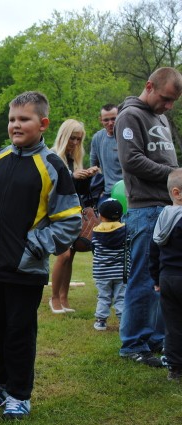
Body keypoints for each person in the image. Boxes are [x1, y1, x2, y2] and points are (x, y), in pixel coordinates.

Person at [0, 91, 81, 419]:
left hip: (26, 270)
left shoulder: (51, 165)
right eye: (12, 120)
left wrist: (35, 245)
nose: (16, 125)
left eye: (24, 119)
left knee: (19, 331)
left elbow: (70, 218)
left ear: (43, 124)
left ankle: (20, 393)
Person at [116, 67, 182, 367]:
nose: (168, 106)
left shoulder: (162, 117)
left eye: (173, 102)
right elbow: (131, 160)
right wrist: (173, 175)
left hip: (166, 208)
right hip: (145, 209)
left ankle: (154, 336)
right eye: (166, 99)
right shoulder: (130, 116)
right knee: (143, 277)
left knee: (161, 278)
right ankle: (132, 344)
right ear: (149, 86)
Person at [49, 120, 99, 313]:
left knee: (71, 257)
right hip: (56, 212)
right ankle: (54, 299)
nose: (76, 142)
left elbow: (80, 191)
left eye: (79, 139)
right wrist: (72, 177)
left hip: (73, 212)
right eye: (72, 138)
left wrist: (87, 176)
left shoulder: (74, 159)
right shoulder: (52, 156)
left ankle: (64, 298)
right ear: (64, 135)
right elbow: (53, 185)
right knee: (64, 255)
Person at [149, 168, 182, 381]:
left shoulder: (163, 218)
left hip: (167, 279)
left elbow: (154, 251)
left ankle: (175, 369)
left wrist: (156, 278)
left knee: (173, 325)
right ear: (178, 193)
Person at [92, 199, 128, 331]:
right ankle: (123, 321)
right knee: (121, 297)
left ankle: (101, 321)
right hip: (121, 272)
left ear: (100, 215)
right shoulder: (125, 230)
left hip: (101, 272)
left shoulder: (96, 232)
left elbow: (94, 250)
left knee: (103, 296)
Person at [90, 103, 123, 206]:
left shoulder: (126, 137)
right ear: (101, 120)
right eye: (106, 120)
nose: (110, 123)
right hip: (107, 193)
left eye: (114, 119)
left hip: (127, 191)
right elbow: (94, 167)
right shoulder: (97, 138)